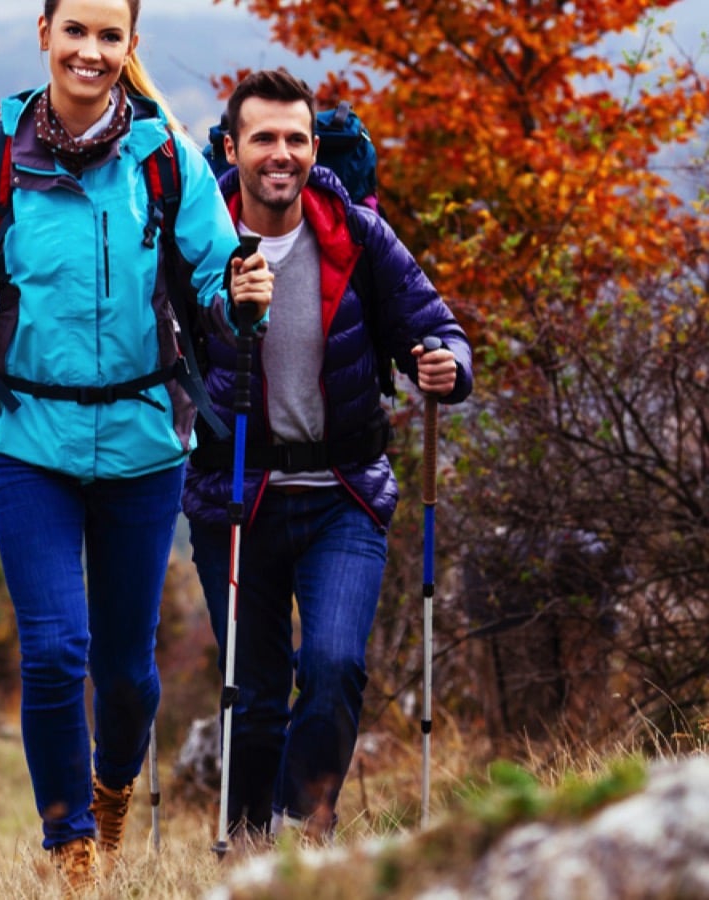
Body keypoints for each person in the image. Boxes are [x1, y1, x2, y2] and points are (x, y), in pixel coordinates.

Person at [0, 0, 271, 889]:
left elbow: (213, 274)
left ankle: (112, 787)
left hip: (143, 443)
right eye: (76, 31)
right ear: (43, 34)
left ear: (131, 47)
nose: (91, 51)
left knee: (127, 675)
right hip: (27, 441)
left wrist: (241, 294)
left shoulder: (164, 160)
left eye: (109, 36)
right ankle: (71, 848)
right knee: (56, 650)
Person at [183, 67, 474, 844]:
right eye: (263, 138)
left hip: (342, 492)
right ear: (233, 148)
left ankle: (299, 834)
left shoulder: (356, 232)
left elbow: (434, 323)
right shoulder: (199, 238)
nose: (281, 154)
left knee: (337, 667)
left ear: (315, 147)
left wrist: (446, 363)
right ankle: (245, 853)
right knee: (253, 689)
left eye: (295, 138)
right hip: (233, 496)